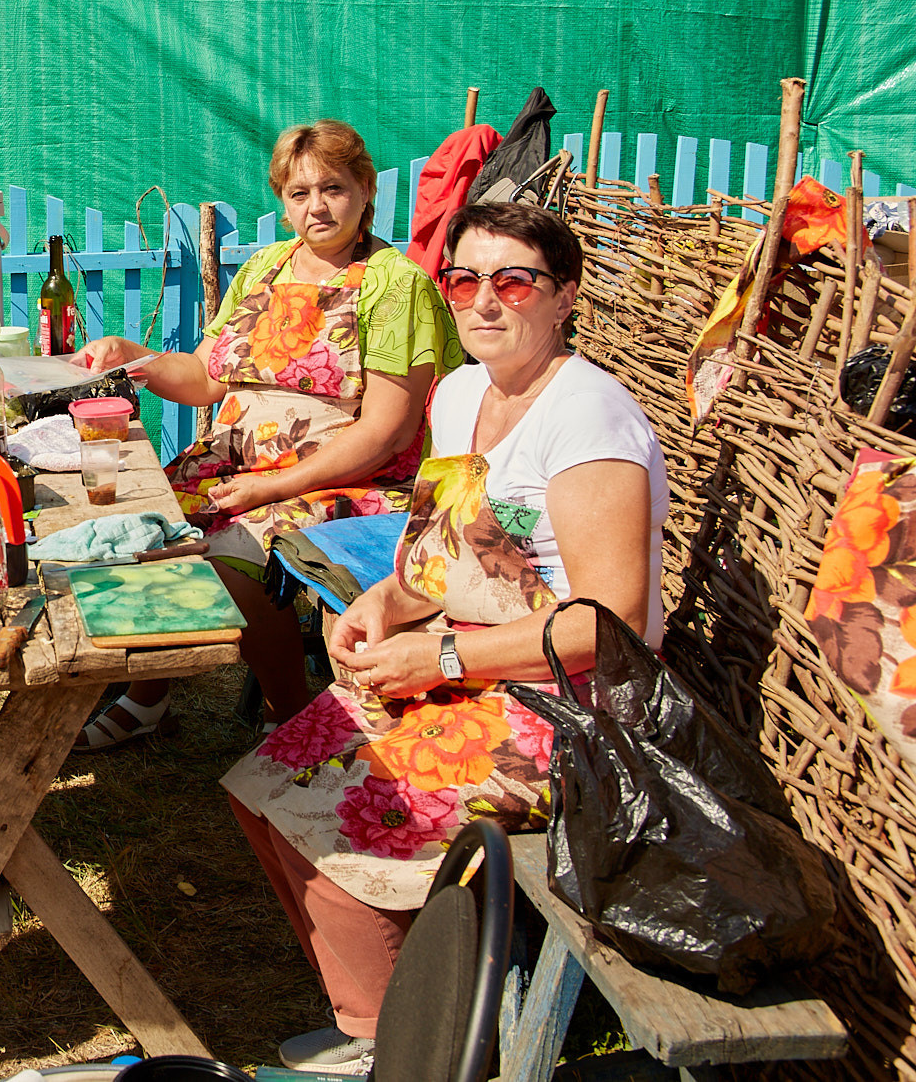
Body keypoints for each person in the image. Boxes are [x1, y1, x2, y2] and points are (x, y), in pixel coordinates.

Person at [223, 201, 666, 1074]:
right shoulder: (462, 393)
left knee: (342, 825)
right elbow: (441, 551)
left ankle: (410, 1050)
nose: (484, 301)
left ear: (565, 295)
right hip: (471, 668)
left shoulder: (589, 418)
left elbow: (605, 622)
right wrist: (385, 604)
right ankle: (377, 1022)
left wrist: (442, 656)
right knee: (262, 785)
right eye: (465, 279)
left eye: (515, 280)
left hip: (572, 711)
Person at [74, 120, 462, 748]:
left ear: (365, 190)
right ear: (282, 202)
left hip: (346, 481)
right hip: (234, 467)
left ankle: (295, 719)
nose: (317, 206)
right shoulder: (264, 269)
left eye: (333, 188)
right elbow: (205, 377)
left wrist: (274, 485)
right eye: (299, 192)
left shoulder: (397, 285)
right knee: (132, 528)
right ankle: (151, 693)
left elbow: (388, 432)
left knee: (232, 562)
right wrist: (130, 356)